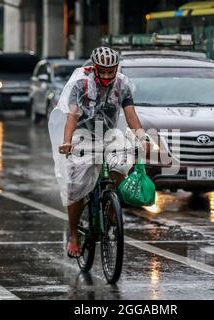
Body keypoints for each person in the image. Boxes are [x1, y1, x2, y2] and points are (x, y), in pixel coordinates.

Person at [48, 47, 150, 258]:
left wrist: (142, 136)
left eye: (110, 71)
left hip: (110, 133)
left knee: (122, 162)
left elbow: (131, 117)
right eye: (101, 71)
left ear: (116, 69)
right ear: (94, 68)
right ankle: (74, 234)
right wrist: (67, 142)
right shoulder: (81, 84)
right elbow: (72, 117)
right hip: (82, 135)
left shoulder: (122, 86)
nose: (106, 75)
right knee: (75, 187)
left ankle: (112, 209)